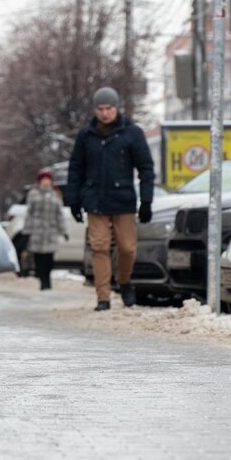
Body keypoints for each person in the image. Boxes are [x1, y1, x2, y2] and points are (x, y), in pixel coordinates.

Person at [65, 87, 155, 311]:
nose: (105, 113)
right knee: (99, 247)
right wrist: (73, 200)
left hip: (123, 199)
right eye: (100, 109)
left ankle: (124, 282)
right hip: (95, 199)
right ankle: (103, 296)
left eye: (109, 108)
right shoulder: (87, 135)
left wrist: (146, 201)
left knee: (127, 248)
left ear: (116, 108)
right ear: (95, 110)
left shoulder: (131, 133)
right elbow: (75, 168)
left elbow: (145, 167)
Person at [23, 169, 67, 291]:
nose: (46, 182)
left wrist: (63, 230)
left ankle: (47, 280)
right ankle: (42, 280)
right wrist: (27, 230)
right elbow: (29, 213)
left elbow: (60, 214)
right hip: (37, 231)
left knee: (49, 258)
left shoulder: (55, 194)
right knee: (38, 258)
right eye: (44, 179)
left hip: (50, 231)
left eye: (48, 179)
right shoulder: (33, 194)